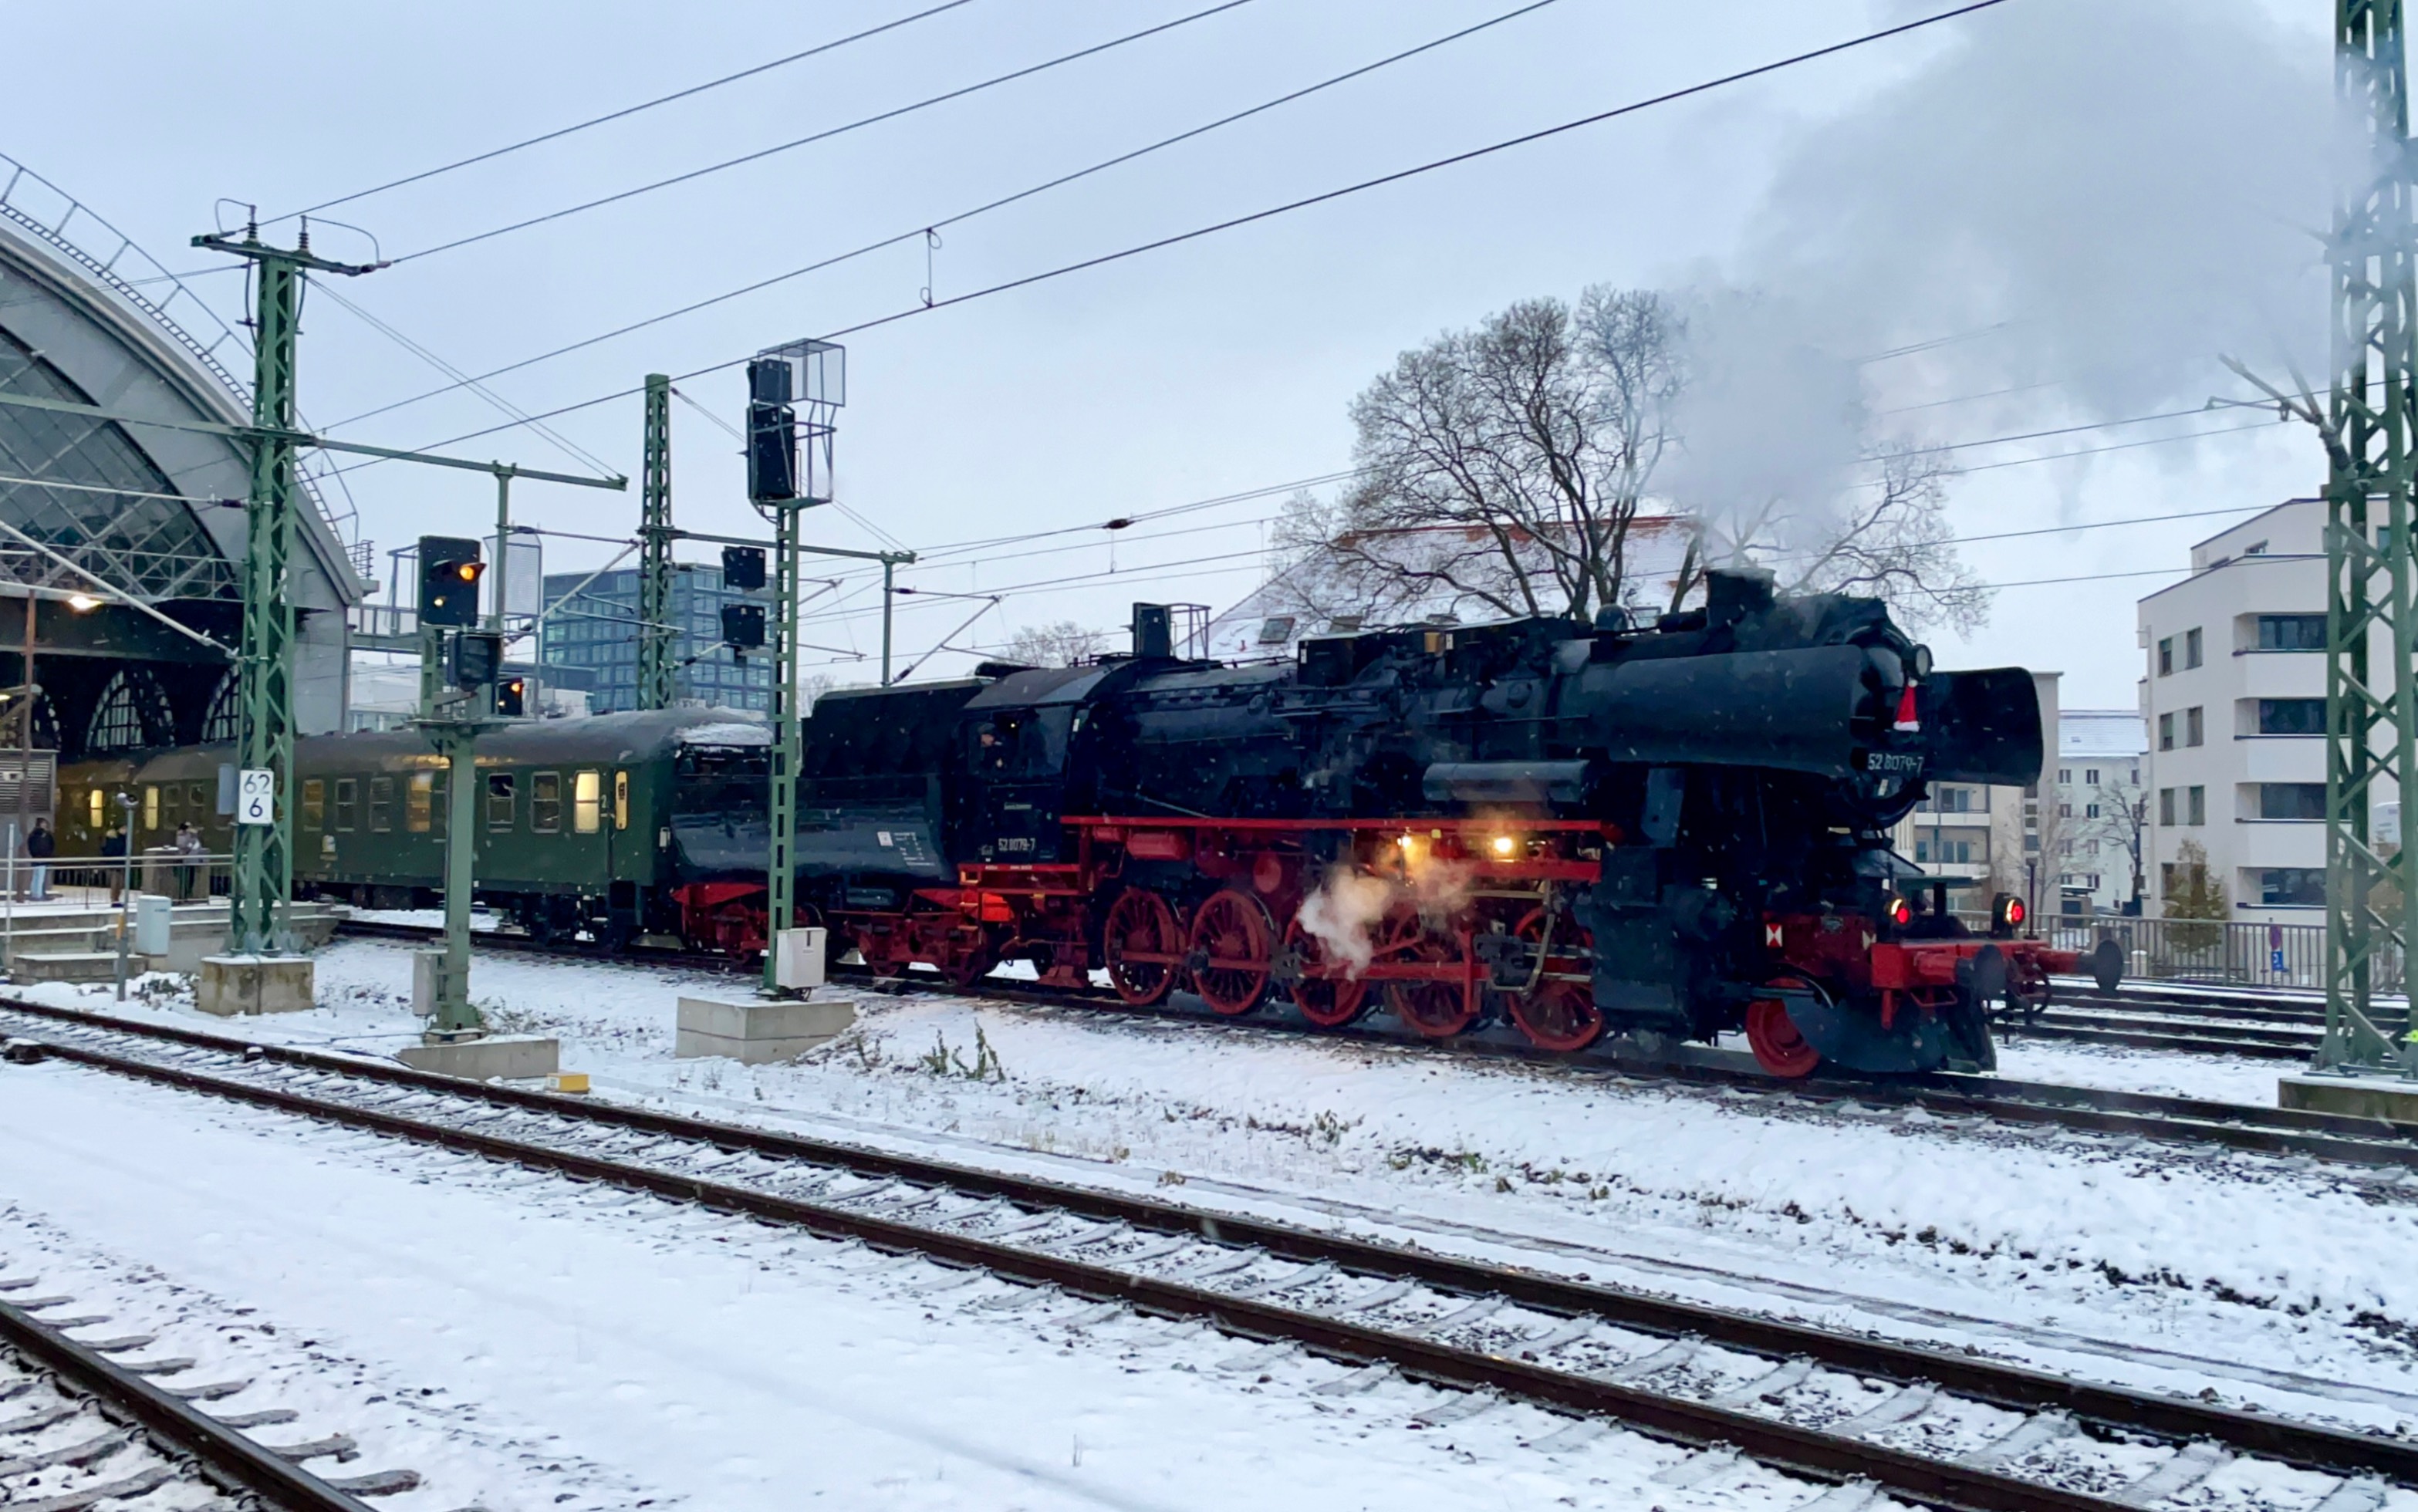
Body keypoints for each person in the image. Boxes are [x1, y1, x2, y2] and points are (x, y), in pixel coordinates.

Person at [24, 816, 52, 902]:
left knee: (36, 876)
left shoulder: (33, 834)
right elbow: (47, 846)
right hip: (43, 857)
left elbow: (31, 846)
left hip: (36, 857)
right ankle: (38, 895)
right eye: (44, 823)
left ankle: (34, 893)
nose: (45, 825)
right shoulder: (44, 835)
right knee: (40, 877)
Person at [174, 820, 202, 901]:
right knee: (185, 879)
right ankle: (183, 896)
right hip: (185, 861)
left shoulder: (192, 836)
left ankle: (187, 895)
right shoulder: (182, 836)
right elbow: (183, 846)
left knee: (190, 879)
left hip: (192, 861)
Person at [100, 824, 126, 903]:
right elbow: (113, 850)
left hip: (119, 863)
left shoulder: (122, 838)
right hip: (115, 863)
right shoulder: (115, 839)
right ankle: (114, 899)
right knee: (116, 882)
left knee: (119, 883)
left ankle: (116, 899)